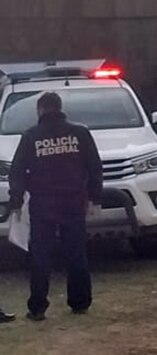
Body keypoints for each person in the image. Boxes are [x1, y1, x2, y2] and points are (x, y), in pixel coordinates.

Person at [9, 92, 103, 321]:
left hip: (43, 204)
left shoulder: (31, 136)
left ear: (40, 110)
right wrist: (95, 197)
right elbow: (94, 166)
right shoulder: (80, 133)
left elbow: (17, 171)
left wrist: (16, 200)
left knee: (40, 256)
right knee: (76, 253)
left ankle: (38, 307)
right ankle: (80, 302)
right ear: (60, 108)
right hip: (73, 202)